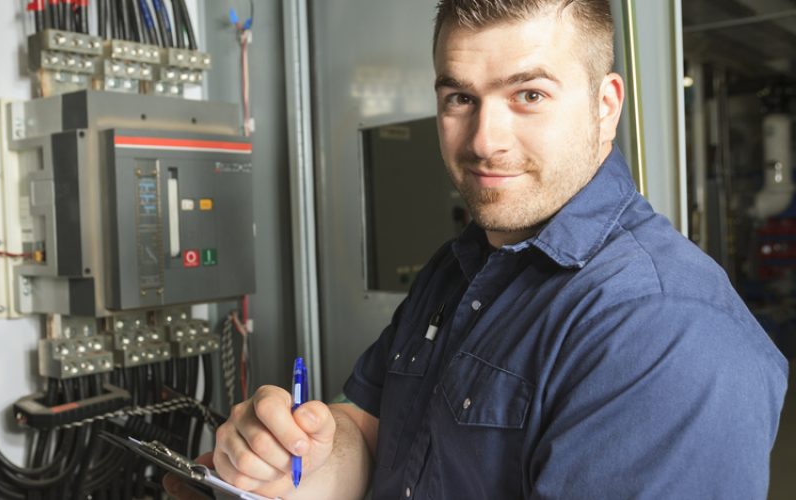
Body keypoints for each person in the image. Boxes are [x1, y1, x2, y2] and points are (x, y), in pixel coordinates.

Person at [165, 1, 789, 498]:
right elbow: (373, 432)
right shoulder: (461, 268)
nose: (486, 141)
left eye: (530, 95)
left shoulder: (664, 330)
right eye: (460, 98)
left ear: (606, 106)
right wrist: (298, 457)